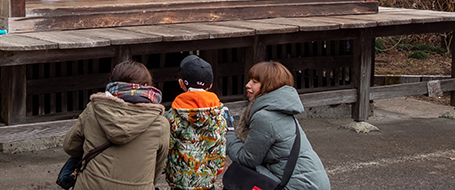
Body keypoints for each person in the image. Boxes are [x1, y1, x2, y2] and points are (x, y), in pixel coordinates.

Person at [63, 60, 169, 190]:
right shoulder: (160, 124)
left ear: (113, 84)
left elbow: (70, 146)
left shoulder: (93, 110)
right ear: (146, 86)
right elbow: (157, 167)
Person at [226, 61, 331, 190]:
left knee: (240, 172)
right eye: (249, 81)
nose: (248, 85)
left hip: (298, 185)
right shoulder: (281, 110)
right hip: (313, 182)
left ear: (269, 85)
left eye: (255, 82)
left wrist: (228, 134)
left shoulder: (264, 117)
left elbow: (248, 159)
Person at [164, 55, 226, 190]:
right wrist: (218, 167)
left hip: (180, 179)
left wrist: (164, 168)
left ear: (181, 83)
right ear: (210, 85)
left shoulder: (174, 114)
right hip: (207, 178)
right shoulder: (219, 113)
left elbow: (167, 145)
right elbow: (220, 143)